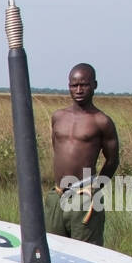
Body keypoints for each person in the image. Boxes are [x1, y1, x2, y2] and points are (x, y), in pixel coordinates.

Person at [48, 63, 120, 245]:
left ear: (94, 85)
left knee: (86, 254)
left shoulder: (101, 121)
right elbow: (56, 148)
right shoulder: (58, 117)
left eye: (84, 85)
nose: (78, 90)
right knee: (52, 252)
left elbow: (112, 160)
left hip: (84, 195)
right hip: (57, 194)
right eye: (74, 85)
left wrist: (95, 187)